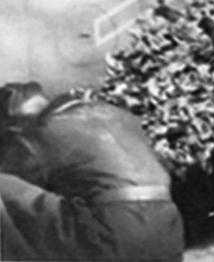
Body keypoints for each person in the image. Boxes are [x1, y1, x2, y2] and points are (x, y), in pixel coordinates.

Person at [0, 81, 184, 261]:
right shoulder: (115, 115)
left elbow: (17, 181)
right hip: (169, 233)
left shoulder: (36, 132)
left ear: (15, 123)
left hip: (111, 236)